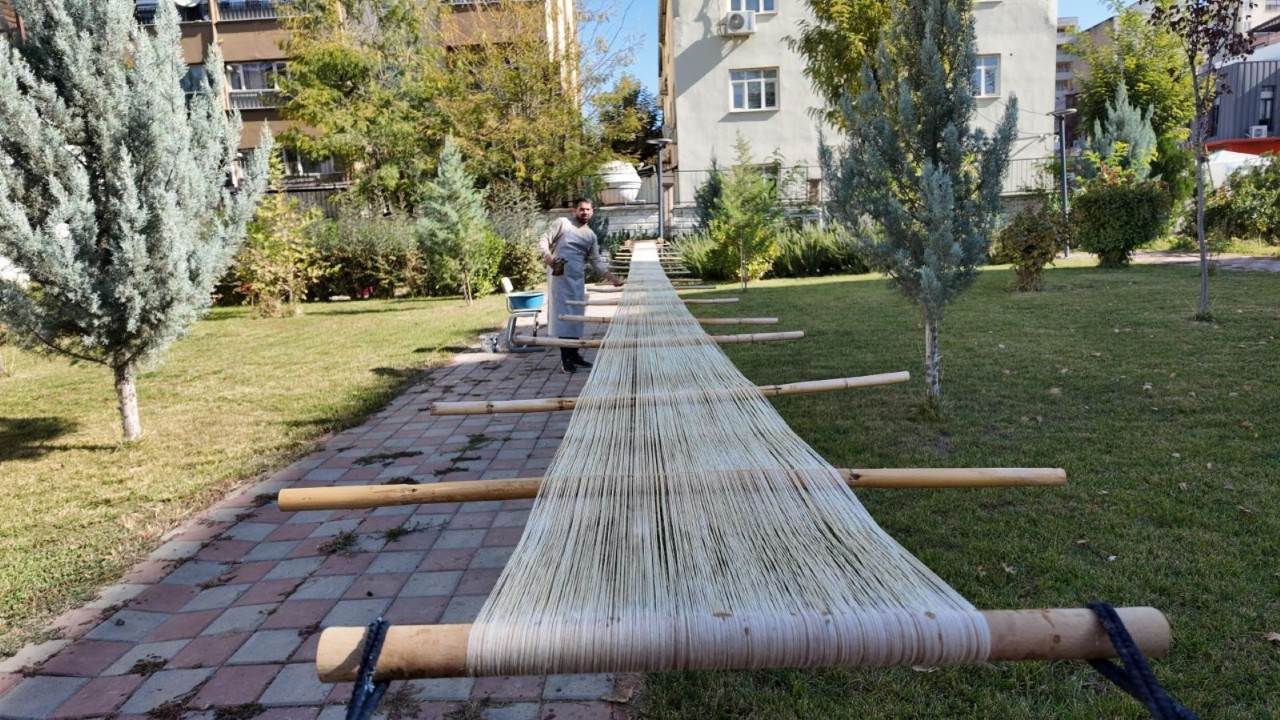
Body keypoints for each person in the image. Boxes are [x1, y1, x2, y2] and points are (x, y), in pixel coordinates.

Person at [537, 197, 623, 373]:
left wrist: (611, 277)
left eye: (588, 210)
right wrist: (547, 256)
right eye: (581, 209)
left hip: (576, 279)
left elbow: (595, 260)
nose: (585, 212)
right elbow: (543, 240)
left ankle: (575, 354)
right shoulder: (563, 223)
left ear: (592, 212)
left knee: (576, 316)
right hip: (560, 277)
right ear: (574, 210)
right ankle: (566, 359)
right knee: (564, 318)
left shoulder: (590, 235)